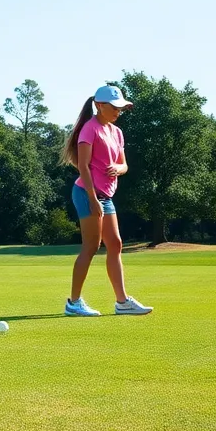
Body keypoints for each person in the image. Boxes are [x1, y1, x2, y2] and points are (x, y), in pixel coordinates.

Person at [59, 85, 152, 317]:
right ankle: (74, 302)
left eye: (121, 107)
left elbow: (124, 164)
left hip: (106, 196)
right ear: (100, 106)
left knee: (116, 244)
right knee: (91, 246)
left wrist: (117, 169)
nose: (119, 111)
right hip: (86, 193)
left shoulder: (117, 132)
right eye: (115, 107)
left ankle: (122, 302)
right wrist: (92, 199)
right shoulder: (89, 129)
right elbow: (83, 166)